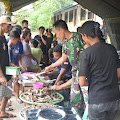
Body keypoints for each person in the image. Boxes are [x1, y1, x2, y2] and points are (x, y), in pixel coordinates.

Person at [79, 21, 120, 120]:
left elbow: (81, 82)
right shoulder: (112, 49)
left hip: (97, 99)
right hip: (114, 98)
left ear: (85, 36)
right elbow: (118, 74)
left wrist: (95, 82)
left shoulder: (87, 53)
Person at [45, 20, 85, 117]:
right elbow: (63, 58)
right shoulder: (66, 43)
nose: (57, 35)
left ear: (62, 30)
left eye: (57, 32)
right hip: (75, 74)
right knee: (75, 101)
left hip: (84, 73)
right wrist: (51, 66)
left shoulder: (78, 37)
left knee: (85, 101)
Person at [0, 16, 16, 118]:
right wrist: (1, 76)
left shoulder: (4, 38)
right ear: (2, 25)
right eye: (8, 25)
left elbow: (4, 55)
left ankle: (2, 111)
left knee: (7, 93)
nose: (10, 28)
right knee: (1, 93)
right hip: (1, 73)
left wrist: (10, 64)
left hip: (6, 71)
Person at [8, 30, 23, 103]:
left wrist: (16, 67)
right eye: (17, 41)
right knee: (9, 84)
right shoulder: (8, 48)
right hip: (8, 69)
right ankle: (7, 101)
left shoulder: (12, 47)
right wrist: (14, 71)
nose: (17, 42)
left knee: (15, 81)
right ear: (13, 39)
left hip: (12, 67)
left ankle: (17, 97)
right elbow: (8, 61)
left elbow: (12, 60)